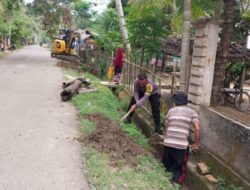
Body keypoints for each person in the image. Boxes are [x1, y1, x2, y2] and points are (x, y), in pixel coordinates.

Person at [162, 91, 201, 187]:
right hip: (181, 146)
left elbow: (166, 125)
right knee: (179, 169)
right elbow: (197, 128)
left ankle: (162, 182)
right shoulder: (192, 112)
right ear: (186, 102)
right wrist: (196, 143)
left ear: (175, 102)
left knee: (165, 166)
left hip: (167, 143)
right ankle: (175, 184)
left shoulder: (171, 111)